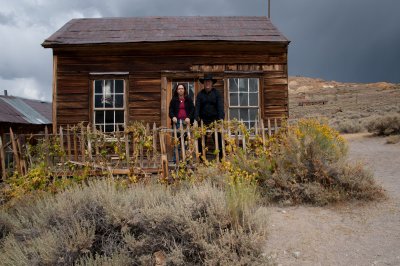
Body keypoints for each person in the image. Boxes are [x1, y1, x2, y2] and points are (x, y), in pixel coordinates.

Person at [194, 74, 225, 160]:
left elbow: (220, 107)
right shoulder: (200, 94)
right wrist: (196, 117)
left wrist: (220, 119)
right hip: (203, 120)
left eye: (209, 81)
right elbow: (197, 107)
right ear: (203, 83)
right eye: (205, 82)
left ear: (212, 83)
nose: (207, 83)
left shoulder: (217, 94)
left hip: (214, 120)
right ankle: (201, 159)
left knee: (218, 138)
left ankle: (220, 158)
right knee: (200, 139)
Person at [169, 83, 194, 163]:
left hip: (185, 123)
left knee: (186, 142)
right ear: (177, 90)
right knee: (177, 142)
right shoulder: (174, 100)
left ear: (184, 90)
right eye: (179, 88)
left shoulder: (188, 99)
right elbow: (170, 110)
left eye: (182, 88)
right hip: (177, 122)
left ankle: (186, 160)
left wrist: (189, 117)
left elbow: (193, 109)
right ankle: (175, 160)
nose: (180, 90)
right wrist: (173, 117)